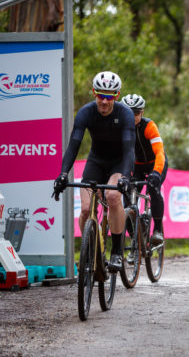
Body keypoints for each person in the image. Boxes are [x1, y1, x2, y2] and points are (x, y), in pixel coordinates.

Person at [53, 71, 134, 272]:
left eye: (109, 96)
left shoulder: (125, 114)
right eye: (100, 95)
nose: (104, 101)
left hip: (118, 162)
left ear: (117, 95)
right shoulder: (86, 112)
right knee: (86, 209)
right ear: (93, 93)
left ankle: (116, 252)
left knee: (113, 196)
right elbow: (73, 145)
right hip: (96, 161)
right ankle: (92, 248)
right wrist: (63, 174)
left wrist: (124, 177)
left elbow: (129, 150)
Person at [121, 94, 168, 246]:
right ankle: (136, 239)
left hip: (155, 163)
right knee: (127, 196)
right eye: (128, 113)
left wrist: (156, 172)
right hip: (137, 165)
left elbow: (160, 153)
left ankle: (158, 229)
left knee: (153, 189)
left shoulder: (149, 126)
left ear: (142, 112)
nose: (132, 116)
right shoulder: (120, 128)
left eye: (136, 113)